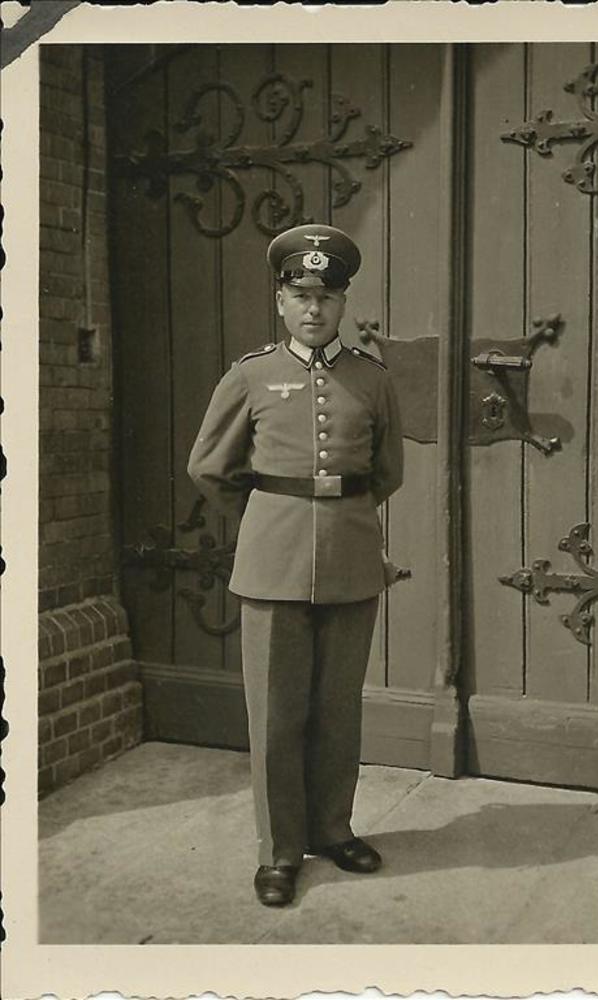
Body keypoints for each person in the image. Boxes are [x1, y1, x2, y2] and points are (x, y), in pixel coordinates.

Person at [187, 223, 404, 906]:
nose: (314, 308)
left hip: (349, 559)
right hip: (271, 562)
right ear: (281, 301)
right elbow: (209, 466)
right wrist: (266, 517)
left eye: (326, 296)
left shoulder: (372, 379)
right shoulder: (250, 376)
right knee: (277, 716)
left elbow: (387, 471)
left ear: (342, 303)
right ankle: (279, 852)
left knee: (338, 710)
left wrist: (338, 517)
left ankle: (333, 829)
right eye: (301, 295)